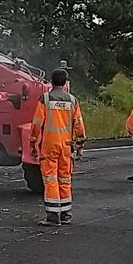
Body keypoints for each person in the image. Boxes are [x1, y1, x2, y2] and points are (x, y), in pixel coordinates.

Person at [30, 69, 86, 226]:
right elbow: (79, 125)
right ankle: (66, 213)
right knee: (65, 178)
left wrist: (33, 144)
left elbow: (36, 124)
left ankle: (53, 215)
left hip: (49, 145)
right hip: (66, 146)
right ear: (66, 82)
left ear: (51, 82)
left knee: (50, 179)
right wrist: (80, 146)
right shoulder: (72, 100)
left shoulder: (45, 99)